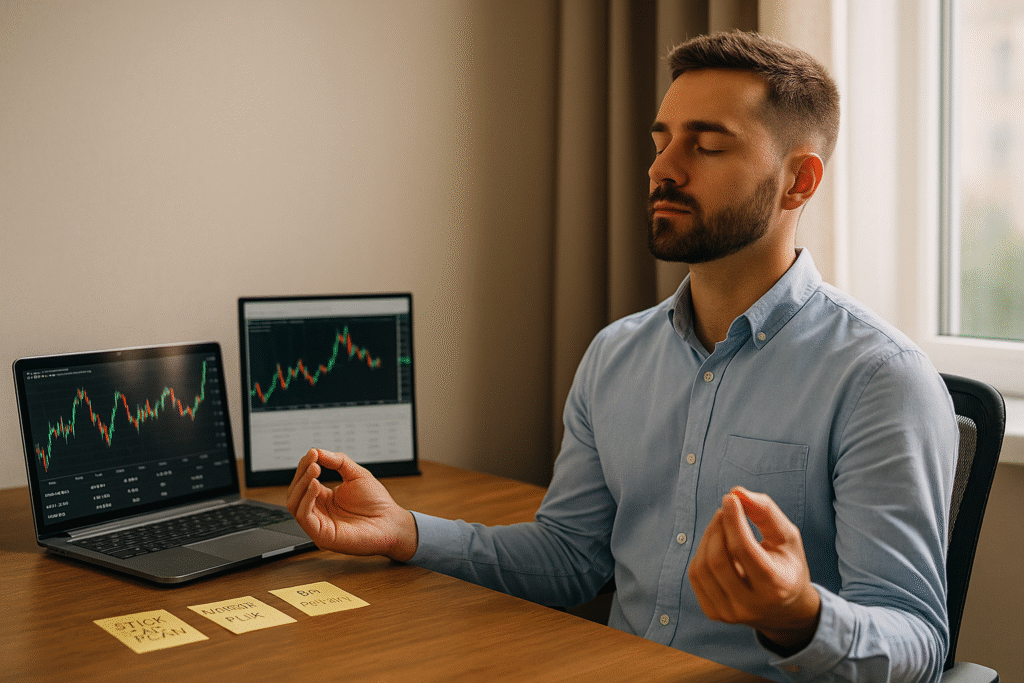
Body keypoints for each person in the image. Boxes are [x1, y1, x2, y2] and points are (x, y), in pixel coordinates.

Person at [287, 30, 957, 683]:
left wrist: (797, 617)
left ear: (798, 182)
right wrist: (403, 530)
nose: (661, 167)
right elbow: (569, 558)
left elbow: (917, 639)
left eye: (707, 144)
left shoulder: (880, 378)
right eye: (662, 141)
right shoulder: (615, 354)